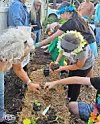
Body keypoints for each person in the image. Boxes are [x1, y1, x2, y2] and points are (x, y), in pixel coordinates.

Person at [0, 28, 41, 123]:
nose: (22, 60)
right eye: (22, 57)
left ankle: (1, 116)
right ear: (13, 54)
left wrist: (30, 83)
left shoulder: (11, 54)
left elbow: (18, 69)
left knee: (0, 92)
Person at [50, 31, 94, 102]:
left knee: (76, 83)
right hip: (74, 63)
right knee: (70, 76)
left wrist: (62, 68)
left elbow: (78, 66)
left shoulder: (83, 51)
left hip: (84, 67)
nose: (65, 51)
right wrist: (57, 63)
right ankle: (69, 95)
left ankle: (73, 100)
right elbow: (62, 52)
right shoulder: (65, 42)